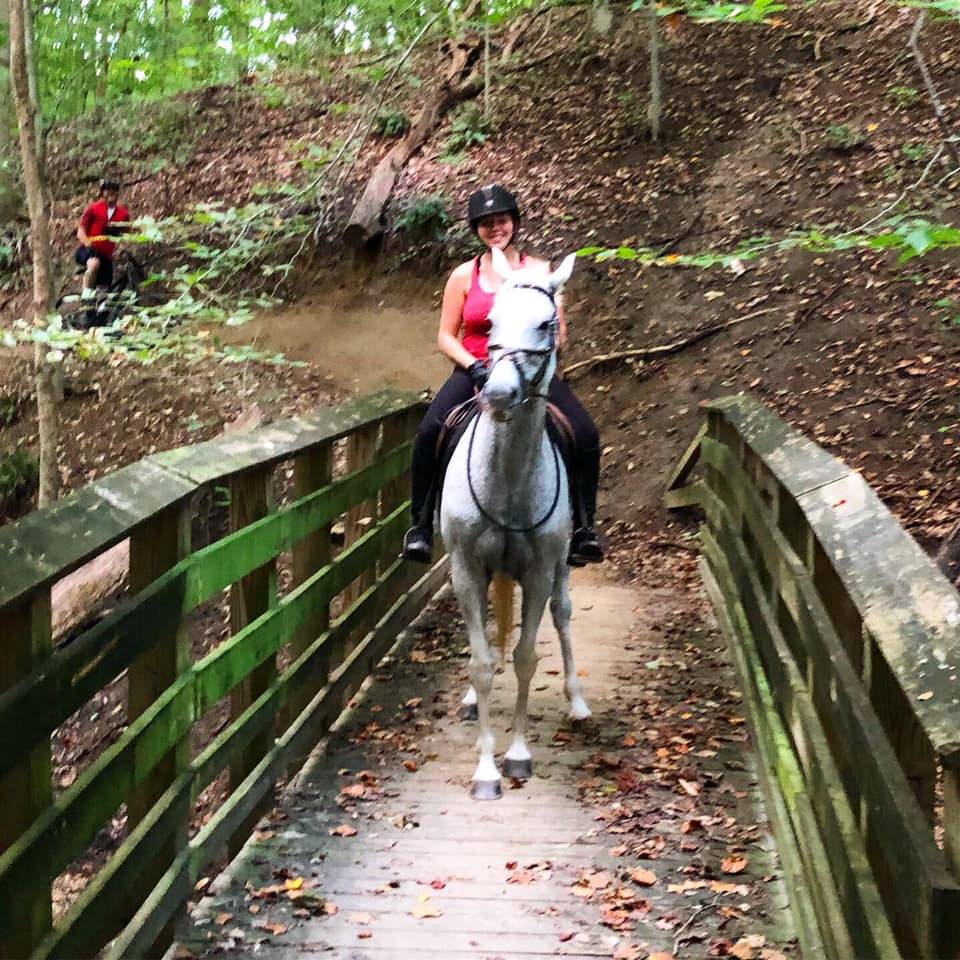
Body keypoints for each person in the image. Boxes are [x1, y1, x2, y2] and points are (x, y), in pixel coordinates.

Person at [401, 184, 603, 567]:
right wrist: (475, 366)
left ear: (515, 223)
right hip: (475, 369)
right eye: (487, 223)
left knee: (586, 432)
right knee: (430, 431)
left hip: (529, 373)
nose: (496, 228)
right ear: (477, 229)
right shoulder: (464, 276)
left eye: (503, 220)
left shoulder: (542, 271)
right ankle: (421, 527)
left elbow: (559, 333)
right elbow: (446, 335)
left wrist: (535, 354)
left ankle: (585, 529)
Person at [76, 180, 130, 301]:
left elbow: (127, 234)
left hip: (106, 256)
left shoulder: (122, 214)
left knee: (105, 292)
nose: (111, 193)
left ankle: (98, 315)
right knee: (94, 263)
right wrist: (88, 244)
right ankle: (86, 296)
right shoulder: (93, 208)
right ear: (102, 192)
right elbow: (81, 231)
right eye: (108, 190)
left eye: (114, 191)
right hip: (89, 250)